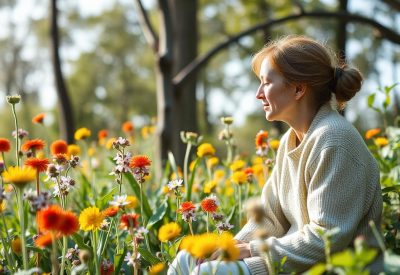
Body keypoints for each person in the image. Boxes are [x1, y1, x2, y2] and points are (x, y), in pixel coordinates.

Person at [168, 35, 383, 274]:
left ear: (299, 89)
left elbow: (326, 238)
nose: (258, 93)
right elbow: (270, 219)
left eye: (266, 83)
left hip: (329, 269)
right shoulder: (289, 140)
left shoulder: (334, 140)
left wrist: (252, 250)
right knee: (188, 260)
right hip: (287, 261)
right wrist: (230, 249)